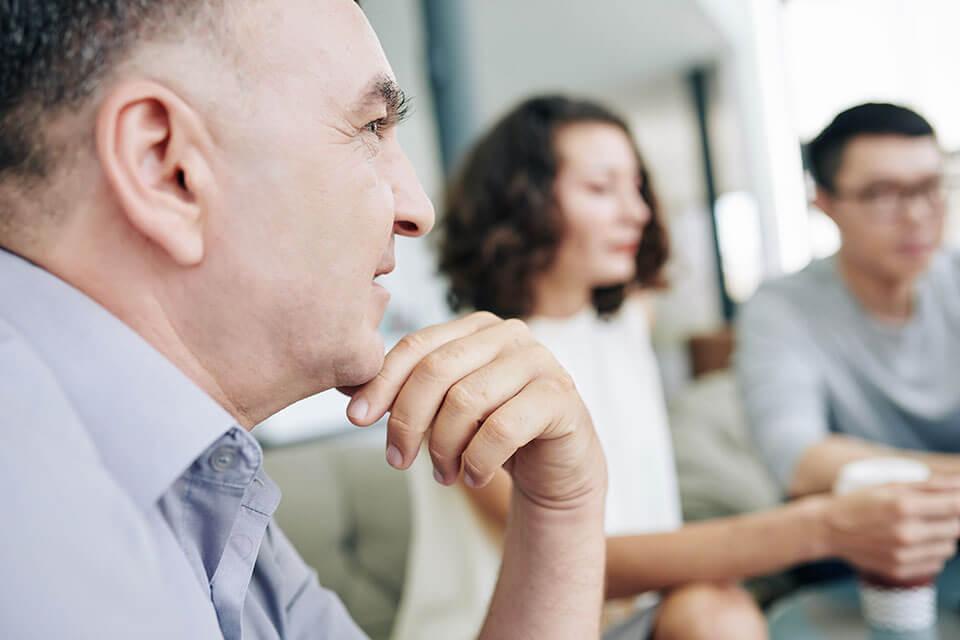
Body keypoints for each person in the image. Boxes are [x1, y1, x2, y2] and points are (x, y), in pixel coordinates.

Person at [0, 2, 610, 639]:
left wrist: (560, 509)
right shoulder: (25, 503)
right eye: (372, 126)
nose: (418, 209)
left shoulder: (205, 490)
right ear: (166, 168)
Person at [438, 95, 960, 640]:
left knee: (716, 609)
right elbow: (579, 563)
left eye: (636, 186)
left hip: (631, 618)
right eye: (600, 188)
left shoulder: (626, 325)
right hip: (512, 625)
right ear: (522, 203)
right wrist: (823, 528)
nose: (638, 210)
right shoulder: (477, 364)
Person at [736, 103, 960, 498]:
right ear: (825, 204)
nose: (918, 214)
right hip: (864, 539)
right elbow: (799, 462)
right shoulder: (782, 307)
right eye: (881, 194)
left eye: (930, 186)